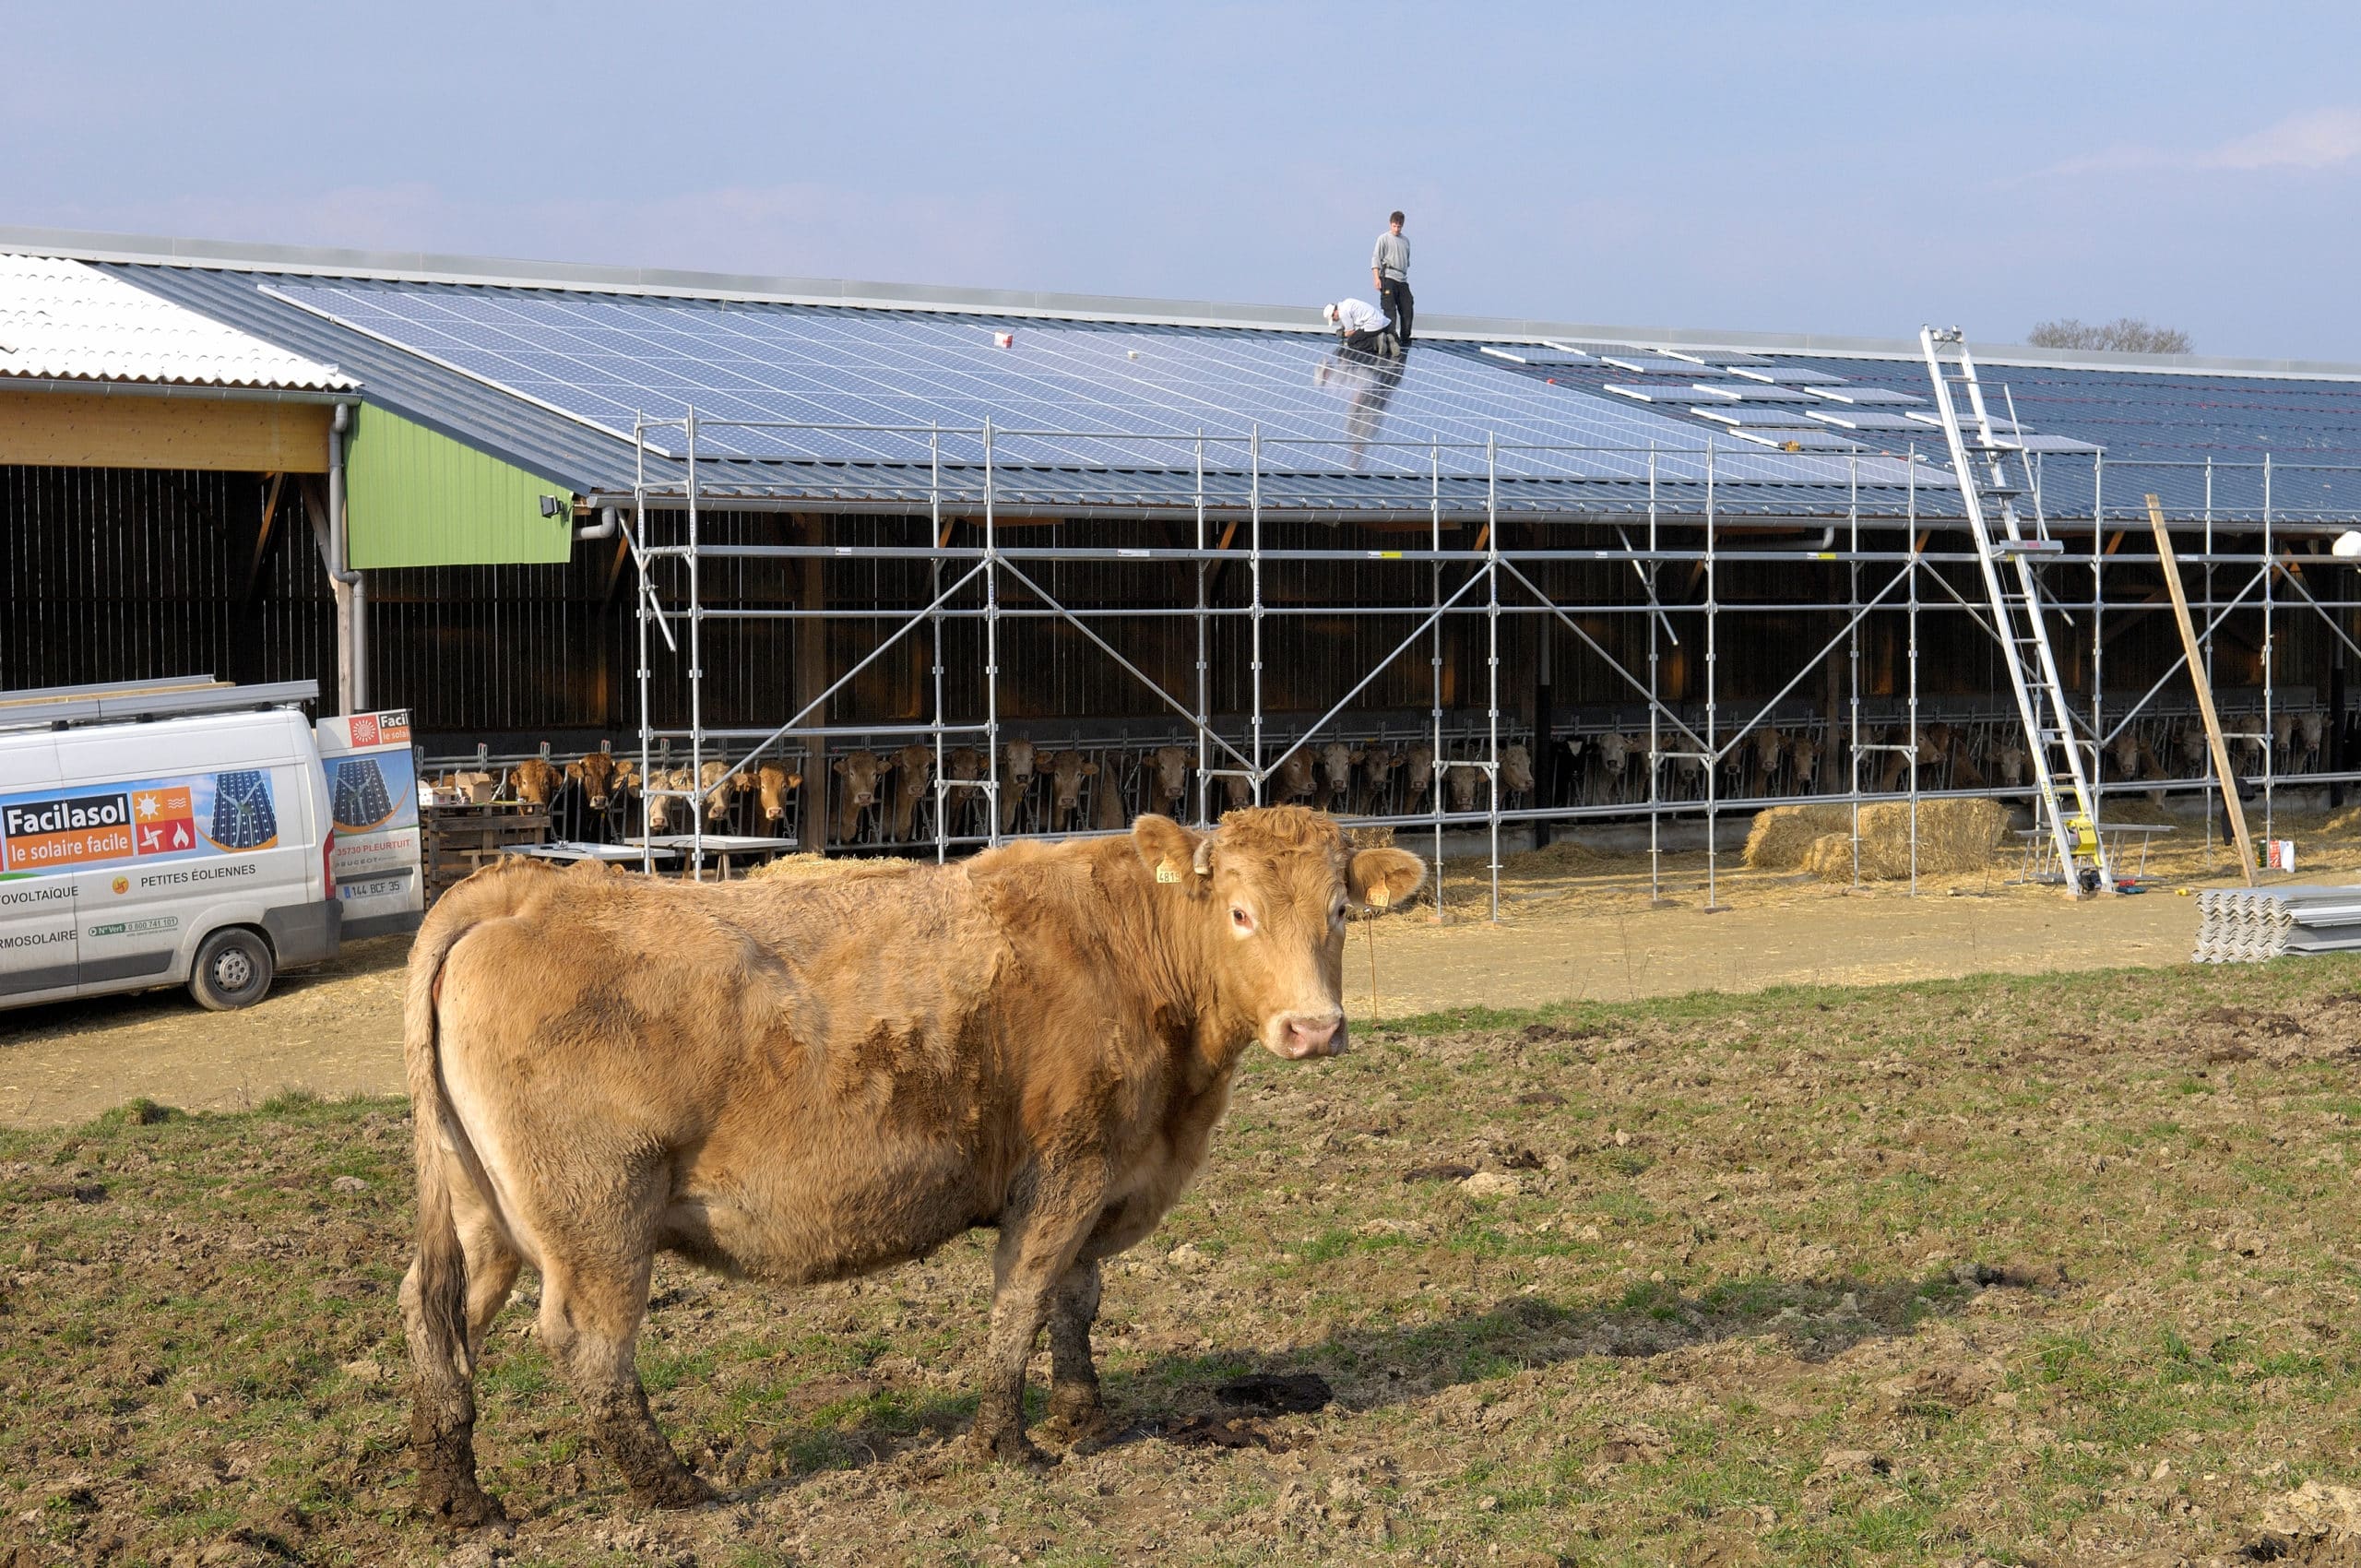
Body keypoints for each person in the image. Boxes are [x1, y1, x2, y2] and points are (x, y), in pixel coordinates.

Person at [1371, 210, 1412, 346]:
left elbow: (1407, 261)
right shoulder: (1383, 238)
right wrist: (1376, 278)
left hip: (1402, 279)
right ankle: (1391, 339)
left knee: (1408, 309)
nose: (1396, 228)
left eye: (1399, 226)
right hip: (1388, 276)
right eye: (1394, 225)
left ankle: (1405, 339)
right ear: (1390, 224)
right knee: (1390, 311)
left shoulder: (1406, 241)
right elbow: (1376, 258)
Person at [1323, 298, 1397, 356]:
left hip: (1374, 324)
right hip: (1385, 323)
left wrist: (1342, 334)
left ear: (1334, 313)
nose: (1334, 320)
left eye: (1333, 318)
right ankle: (1387, 338)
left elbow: (1351, 332)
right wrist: (1344, 328)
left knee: (1352, 342)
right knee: (1360, 334)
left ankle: (1377, 342)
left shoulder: (1342, 313)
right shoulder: (1347, 302)